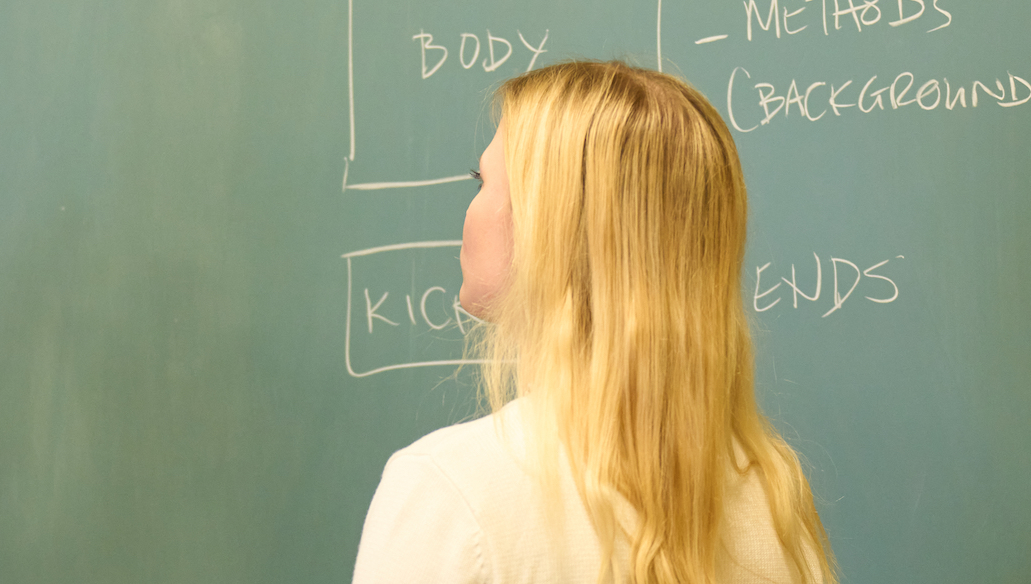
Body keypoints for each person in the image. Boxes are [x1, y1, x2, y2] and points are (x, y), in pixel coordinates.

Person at [352, 60, 835, 584]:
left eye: (482, 182)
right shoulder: (769, 492)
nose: (469, 211)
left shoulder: (451, 491)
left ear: (549, 226)